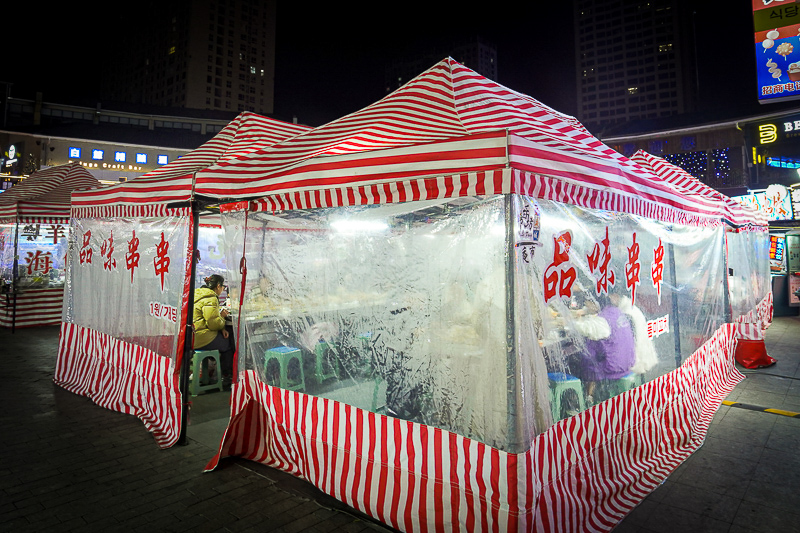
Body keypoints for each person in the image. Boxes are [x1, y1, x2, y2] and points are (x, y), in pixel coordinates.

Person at [573, 291, 636, 403]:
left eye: (587, 304)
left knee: (582, 359)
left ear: (595, 303)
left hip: (614, 367)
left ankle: (587, 399)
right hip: (626, 361)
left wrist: (568, 322)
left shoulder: (603, 320)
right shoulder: (615, 312)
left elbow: (586, 329)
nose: (586, 306)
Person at [194, 274, 235, 387]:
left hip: (191, 336)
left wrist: (222, 328)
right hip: (201, 338)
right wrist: (222, 316)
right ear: (218, 286)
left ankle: (211, 375)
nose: (222, 290)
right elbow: (213, 324)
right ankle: (226, 377)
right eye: (223, 287)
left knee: (224, 336)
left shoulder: (197, 294)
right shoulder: (210, 298)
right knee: (229, 344)